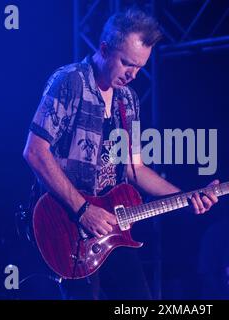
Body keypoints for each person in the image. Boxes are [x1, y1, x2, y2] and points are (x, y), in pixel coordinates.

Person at [23, 8, 219, 300]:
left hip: (111, 229)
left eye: (140, 67)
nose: (133, 74)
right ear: (104, 49)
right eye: (127, 62)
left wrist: (187, 195)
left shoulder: (127, 100)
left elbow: (133, 168)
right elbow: (35, 152)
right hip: (66, 225)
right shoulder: (70, 82)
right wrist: (82, 209)